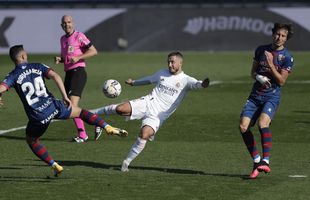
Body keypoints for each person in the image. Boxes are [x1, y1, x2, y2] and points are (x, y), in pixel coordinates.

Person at [0, 45, 128, 176]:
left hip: (38, 116)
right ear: (22, 56)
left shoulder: (12, 75)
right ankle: (107, 127)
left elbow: (1, 88)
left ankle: (54, 165)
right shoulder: (37, 66)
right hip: (53, 106)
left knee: (31, 140)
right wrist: (65, 96)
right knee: (80, 112)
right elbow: (55, 76)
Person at [94, 51, 210, 172]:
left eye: (172, 62)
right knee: (120, 109)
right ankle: (93, 113)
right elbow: (149, 80)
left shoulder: (186, 80)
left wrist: (203, 84)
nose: (170, 65)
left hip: (158, 115)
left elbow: (198, 84)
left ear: (180, 63)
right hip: (147, 102)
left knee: (144, 134)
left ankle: (126, 163)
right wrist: (134, 83)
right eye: (168, 62)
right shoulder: (162, 73)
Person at [239, 23, 294, 179]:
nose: (279, 38)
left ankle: (266, 160)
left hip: (272, 96)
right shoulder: (261, 50)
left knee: (263, 124)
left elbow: (282, 81)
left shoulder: (287, 57)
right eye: (277, 34)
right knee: (243, 127)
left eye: (283, 36)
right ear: (273, 34)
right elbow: (252, 72)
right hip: (255, 95)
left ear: (286, 38)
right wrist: (259, 77)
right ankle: (257, 161)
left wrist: (270, 65)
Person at [55, 15, 98, 143]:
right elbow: (68, 57)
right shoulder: (62, 39)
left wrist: (79, 58)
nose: (67, 25)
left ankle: (83, 135)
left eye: (69, 22)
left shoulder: (79, 36)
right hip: (68, 74)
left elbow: (94, 51)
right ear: (61, 25)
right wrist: (61, 59)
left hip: (78, 72)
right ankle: (95, 121)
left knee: (72, 106)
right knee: (69, 106)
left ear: (73, 23)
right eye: (64, 23)